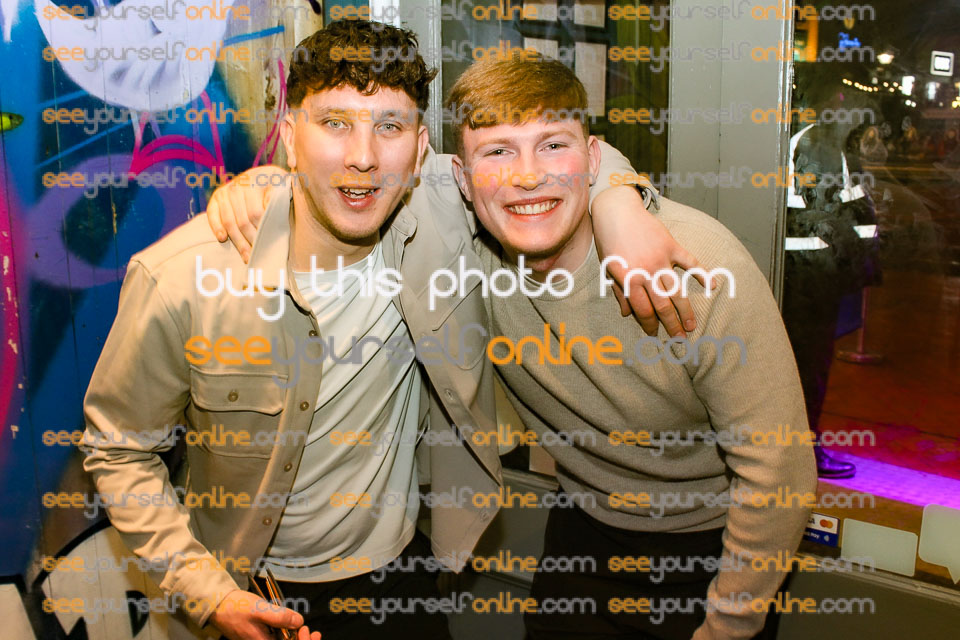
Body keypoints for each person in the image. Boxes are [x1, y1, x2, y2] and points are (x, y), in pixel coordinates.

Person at [81, 20, 699, 640]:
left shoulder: (443, 211)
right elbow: (118, 449)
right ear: (290, 137)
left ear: (422, 148)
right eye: (335, 123)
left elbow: (564, 154)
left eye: (390, 127)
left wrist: (618, 203)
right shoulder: (181, 279)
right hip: (252, 592)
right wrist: (208, 595)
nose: (364, 156)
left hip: (401, 578)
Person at [212, 54, 818, 640]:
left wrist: (728, 627)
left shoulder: (694, 269)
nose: (527, 175)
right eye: (498, 152)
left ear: (592, 158)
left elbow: (778, 475)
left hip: (718, 545)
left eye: (552, 145)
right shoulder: (469, 252)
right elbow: (355, 173)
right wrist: (265, 183)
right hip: (584, 529)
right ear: (461, 179)